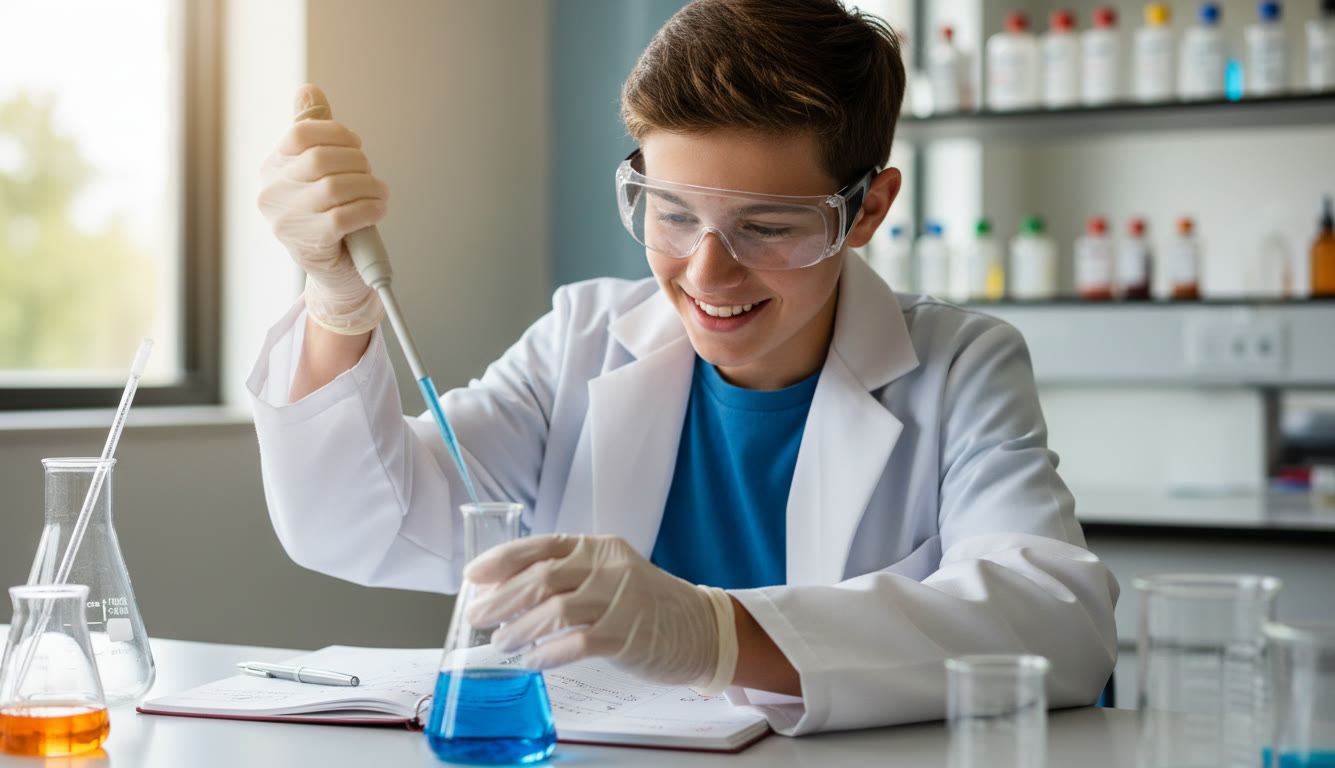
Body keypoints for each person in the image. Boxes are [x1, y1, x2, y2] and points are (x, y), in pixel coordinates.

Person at [248, 0, 1119, 736]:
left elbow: (1056, 625)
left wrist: (715, 632)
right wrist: (335, 302)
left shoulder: (960, 367)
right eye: (669, 213)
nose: (706, 274)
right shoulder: (581, 337)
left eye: (769, 227)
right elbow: (362, 525)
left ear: (868, 209)